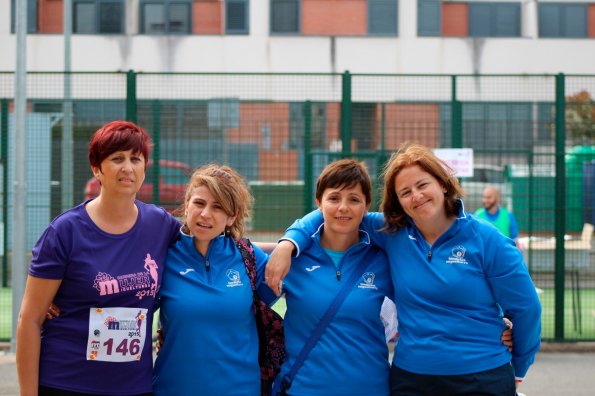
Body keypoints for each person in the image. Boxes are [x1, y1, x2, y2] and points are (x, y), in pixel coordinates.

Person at [267, 144, 541, 396]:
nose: (417, 196)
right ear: (398, 201)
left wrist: (519, 368)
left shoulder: (488, 240)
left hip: (481, 376)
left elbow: (527, 309)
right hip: (413, 378)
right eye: (405, 192)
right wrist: (287, 244)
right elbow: (333, 212)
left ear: (443, 184)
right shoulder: (391, 233)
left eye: (423, 185)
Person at [16, 121, 181, 395]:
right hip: (65, 382)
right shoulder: (64, 231)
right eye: (117, 159)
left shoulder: (161, 225)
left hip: (133, 387)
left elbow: (210, 247)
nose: (128, 168)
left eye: (135, 159)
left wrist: (281, 244)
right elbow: (29, 320)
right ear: (97, 169)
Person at [151, 164, 278, 395]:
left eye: (218, 207)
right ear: (187, 204)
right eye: (199, 203)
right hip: (173, 389)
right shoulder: (163, 258)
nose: (205, 214)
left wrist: (289, 244)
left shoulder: (250, 258)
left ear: (232, 217)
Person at [276, 159, 393, 395]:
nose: (343, 207)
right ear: (319, 202)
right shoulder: (292, 259)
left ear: (367, 205)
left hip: (370, 389)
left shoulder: (384, 259)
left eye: (354, 199)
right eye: (334, 198)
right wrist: (286, 244)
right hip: (304, 388)